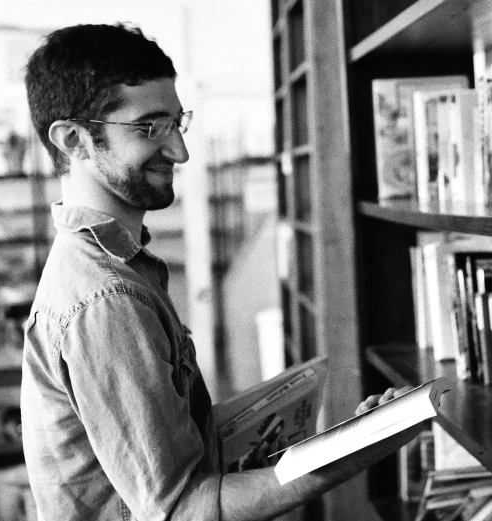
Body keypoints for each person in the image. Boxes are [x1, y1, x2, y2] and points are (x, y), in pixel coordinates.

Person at [21, 22, 416, 521]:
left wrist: (336, 441)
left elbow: (180, 446)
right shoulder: (105, 298)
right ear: (74, 139)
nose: (179, 152)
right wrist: (357, 454)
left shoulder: (117, 268)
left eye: (176, 122)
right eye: (149, 127)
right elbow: (184, 509)